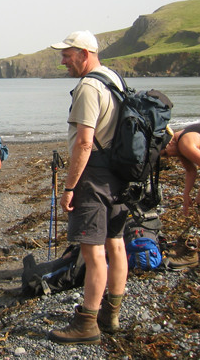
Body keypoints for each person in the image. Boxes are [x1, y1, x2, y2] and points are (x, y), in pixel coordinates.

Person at [48, 30, 129, 344]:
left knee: (94, 252)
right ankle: (112, 313)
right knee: (116, 244)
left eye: (67, 55)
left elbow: (84, 143)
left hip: (94, 175)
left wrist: (69, 187)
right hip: (120, 172)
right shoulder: (113, 79)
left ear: (83, 52)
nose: (63, 61)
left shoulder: (88, 86)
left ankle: (87, 324)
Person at [161, 123, 200, 263]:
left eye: (165, 153)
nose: (169, 157)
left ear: (169, 143)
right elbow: (191, 171)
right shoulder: (180, 144)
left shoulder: (184, 143)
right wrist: (186, 195)